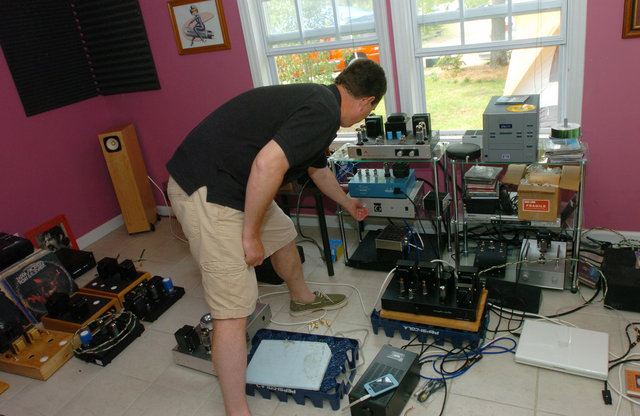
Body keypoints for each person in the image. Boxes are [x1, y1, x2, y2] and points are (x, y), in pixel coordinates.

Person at [166, 58, 386, 416]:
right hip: (209, 189)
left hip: (235, 181)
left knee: (283, 232)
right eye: (367, 113)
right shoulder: (322, 111)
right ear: (367, 102)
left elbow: (316, 168)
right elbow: (267, 165)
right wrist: (249, 235)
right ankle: (237, 410)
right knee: (233, 310)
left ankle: (301, 298)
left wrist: (347, 203)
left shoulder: (321, 103)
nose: (362, 118)